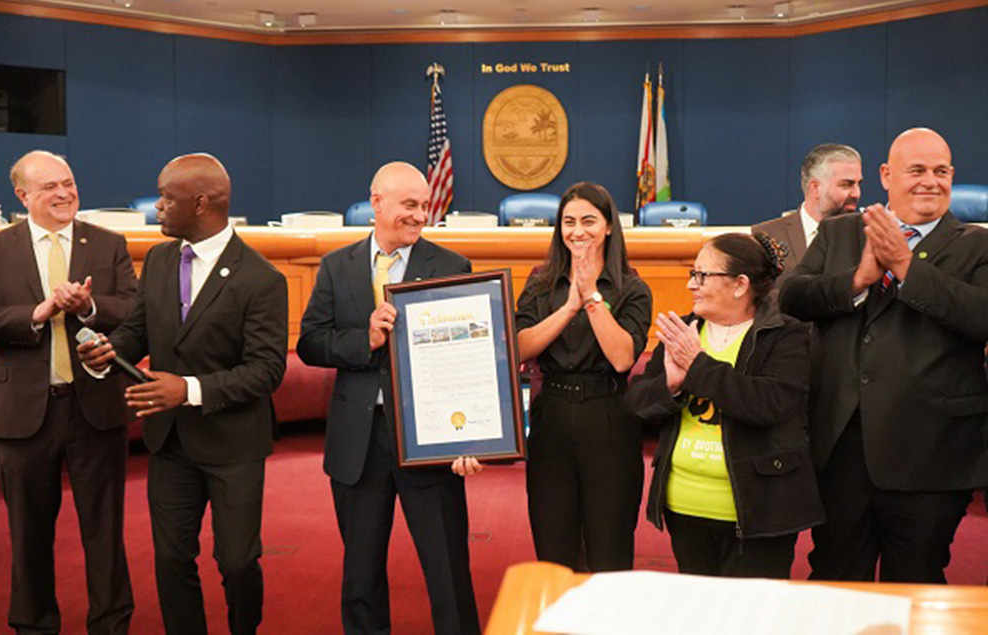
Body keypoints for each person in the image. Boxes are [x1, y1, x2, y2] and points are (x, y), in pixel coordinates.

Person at [78, 153, 288, 633]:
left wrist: (188, 390)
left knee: (237, 563)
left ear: (199, 204)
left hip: (233, 446)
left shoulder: (262, 279)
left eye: (166, 198)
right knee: (172, 559)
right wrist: (109, 352)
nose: (156, 207)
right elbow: (137, 331)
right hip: (169, 444)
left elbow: (267, 370)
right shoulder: (157, 259)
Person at [780, 127, 988, 583]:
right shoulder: (841, 233)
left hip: (933, 457)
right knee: (836, 581)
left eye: (941, 171)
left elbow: (980, 317)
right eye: (917, 170)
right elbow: (792, 297)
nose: (930, 181)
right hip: (841, 452)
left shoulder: (978, 244)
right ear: (887, 175)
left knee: (915, 583)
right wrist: (857, 279)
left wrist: (906, 268)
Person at [297, 161, 482, 635]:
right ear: (376, 202)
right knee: (360, 575)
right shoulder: (336, 267)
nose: (421, 215)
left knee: (447, 573)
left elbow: (470, 362)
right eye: (410, 205)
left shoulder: (450, 266)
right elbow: (311, 344)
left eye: (425, 206)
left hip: (429, 442)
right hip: (357, 445)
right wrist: (366, 340)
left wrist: (472, 434)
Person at [0, 150, 137, 634]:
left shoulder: (109, 243)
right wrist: (39, 311)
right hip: (22, 412)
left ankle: (111, 623)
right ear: (22, 195)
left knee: (105, 529)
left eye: (68, 182)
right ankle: (33, 625)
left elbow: (134, 311)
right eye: (49, 186)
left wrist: (89, 305)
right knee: (28, 533)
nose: (63, 193)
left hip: (94, 406)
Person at [626, 233, 823, 577]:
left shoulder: (785, 334)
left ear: (739, 284)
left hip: (760, 512)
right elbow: (636, 405)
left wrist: (697, 366)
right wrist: (670, 384)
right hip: (685, 508)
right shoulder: (686, 330)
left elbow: (768, 404)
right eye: (693, 274)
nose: (691, 285)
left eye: (702, 276)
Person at [515, 181, 652, 572]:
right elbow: (521, 347)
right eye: (569, 222)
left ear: (609, 226)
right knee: (553, 543)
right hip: (551, 415)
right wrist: (568, 307)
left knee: (608, 546)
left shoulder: (632, 287)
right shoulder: (541, 282)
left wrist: (592, 297)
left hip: (608, 416)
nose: (578, 231)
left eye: (589, 221)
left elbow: (623, 357)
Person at [754, 143, 863, 282]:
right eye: (846, 184)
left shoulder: (867, 236)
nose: (857, 194)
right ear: (815, 187)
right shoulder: (767, 236)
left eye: (859, 184)